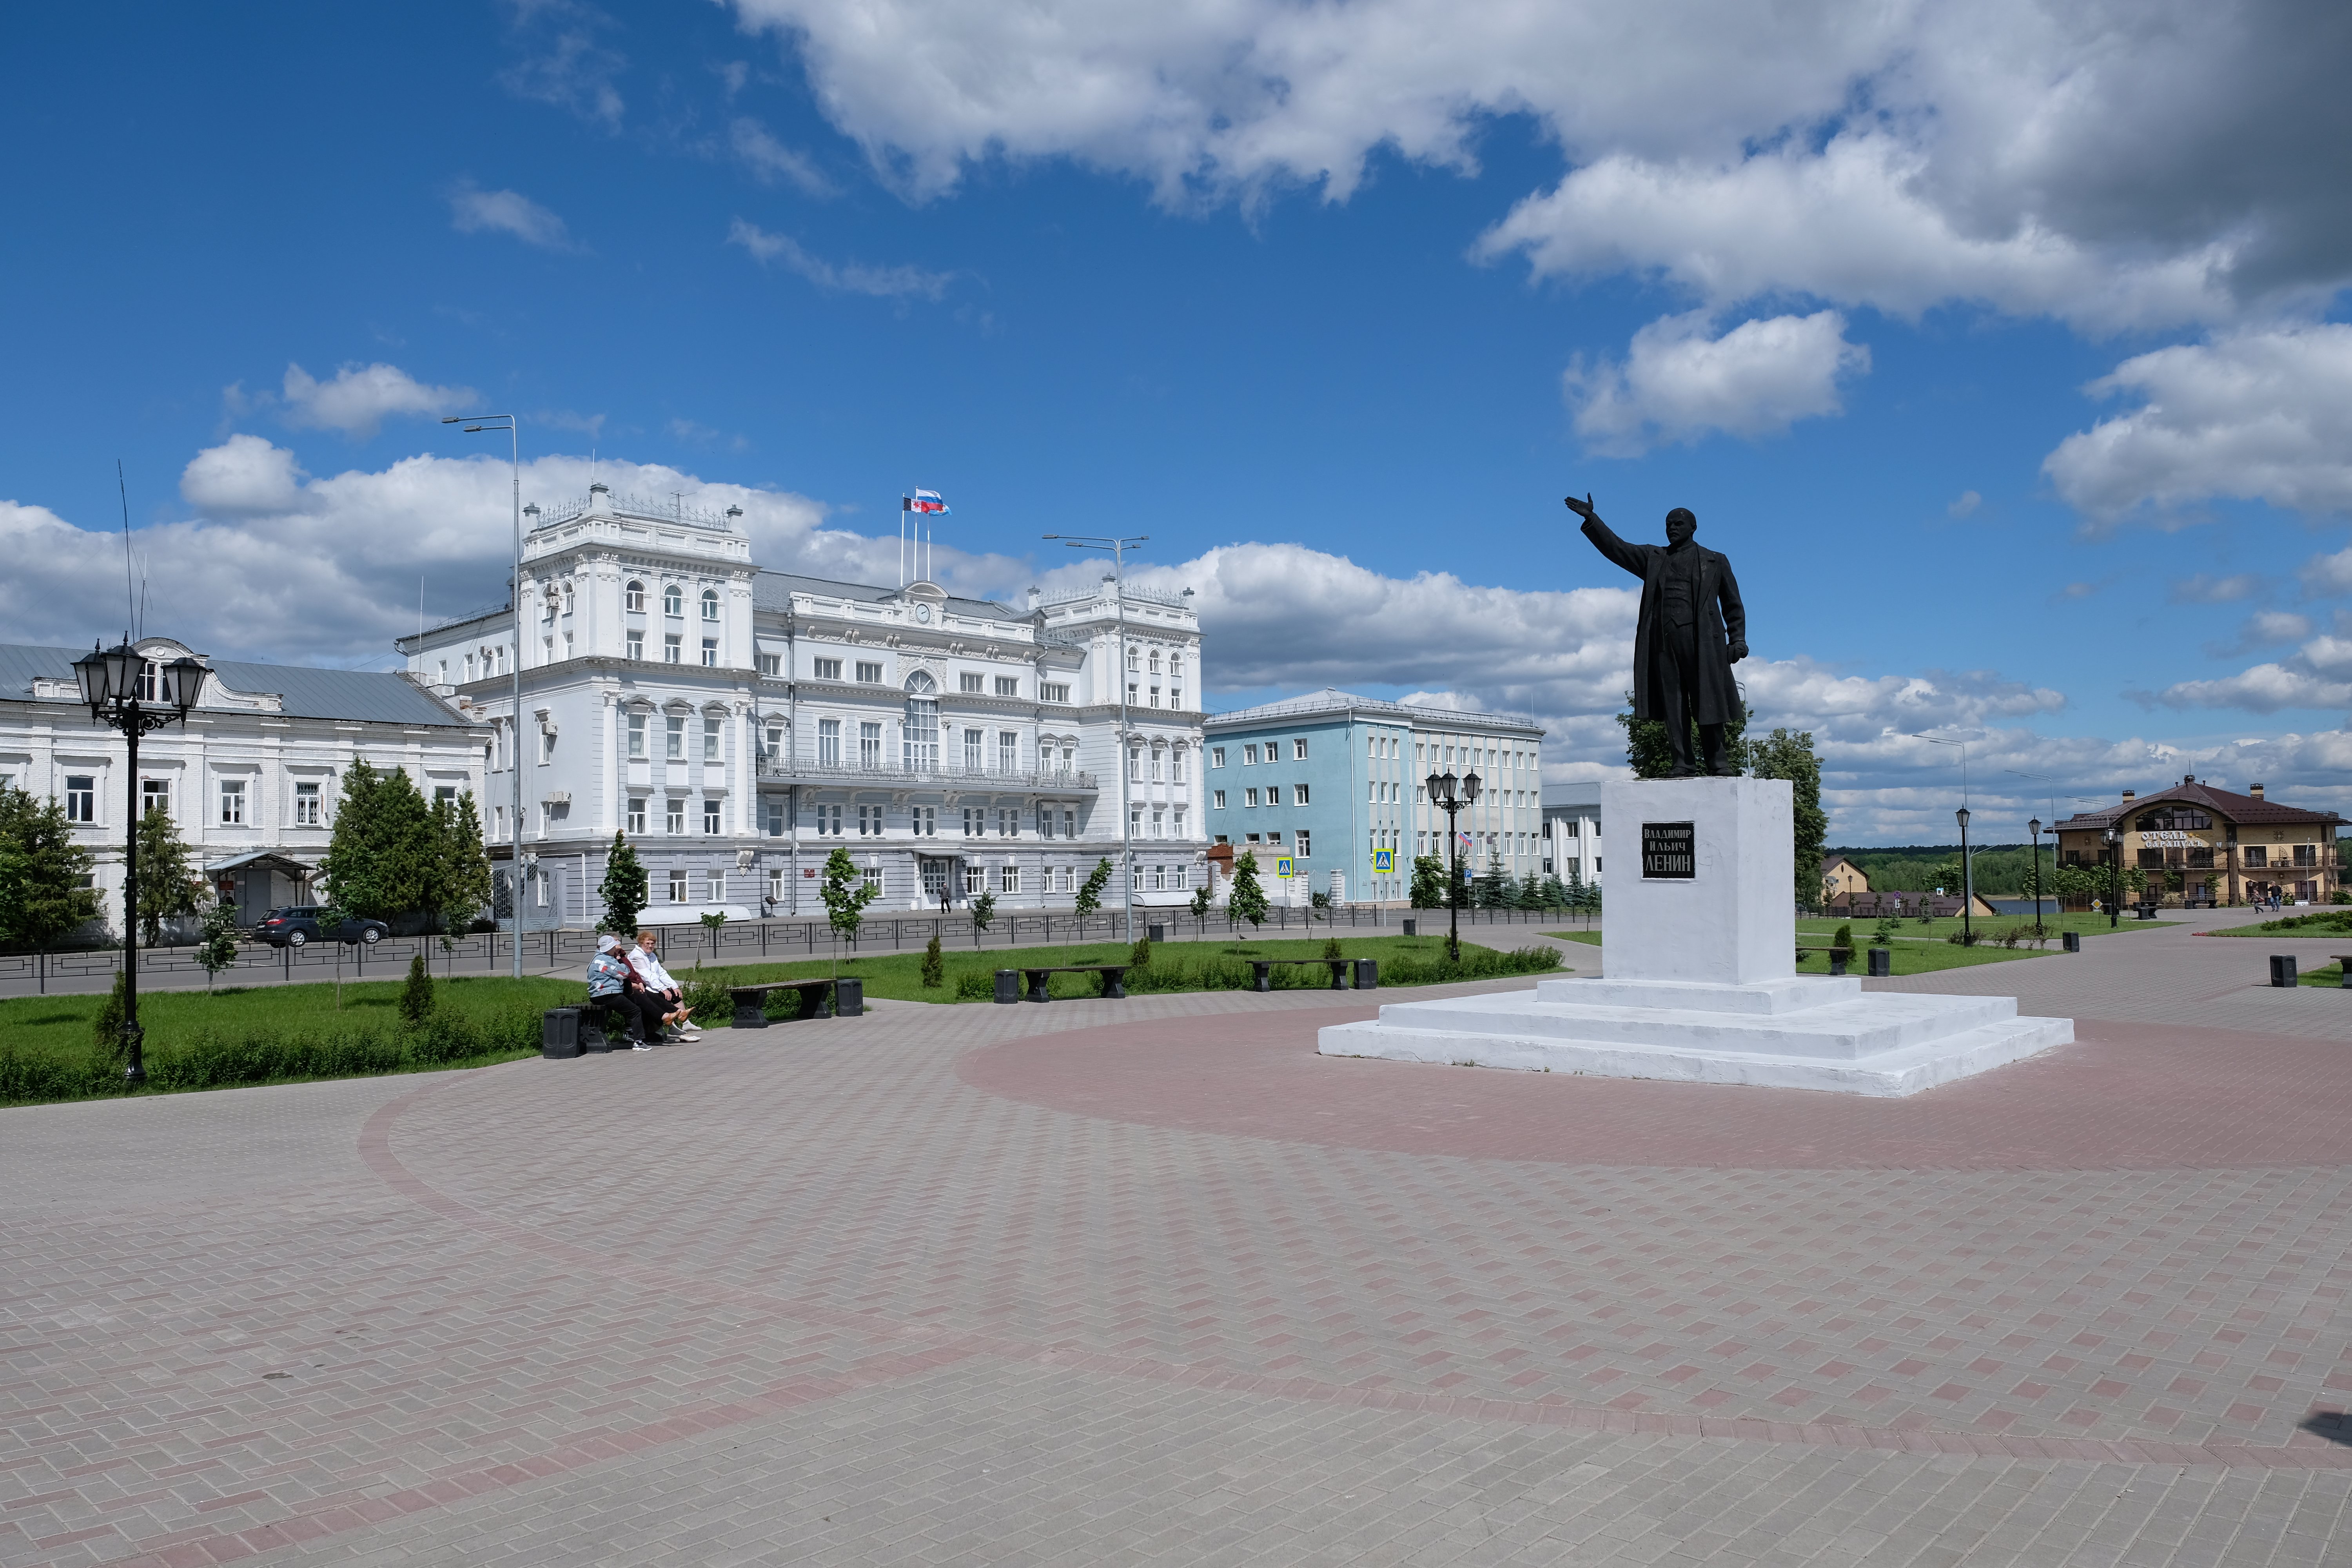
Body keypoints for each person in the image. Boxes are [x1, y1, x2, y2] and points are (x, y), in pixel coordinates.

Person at [1566, 493, 1748, 778]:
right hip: (1664, 643)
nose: (1672, 528)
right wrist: (1592, 518)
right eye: (1668, 525)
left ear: (1693, 527)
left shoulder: (1715, 560)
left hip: (1703, 642)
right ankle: (1683, 762)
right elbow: (1618, 549)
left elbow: (1733, 603)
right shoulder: (1654, 558)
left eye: (1678, 524)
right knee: (1673, 704)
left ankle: (1718, 761)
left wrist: (1737, 638)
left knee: (1708, 702)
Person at [588, 933, 659, 1051]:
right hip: (608, 994)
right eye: (613, 948)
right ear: (608, 948)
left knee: (634, 1001)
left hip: (599, 994)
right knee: (635, 1011)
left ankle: (630, 1032)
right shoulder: (605, 960)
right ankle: (639, 1042)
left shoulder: (597, 958)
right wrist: (619, 960)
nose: (615, 950)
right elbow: (624, 973)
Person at [629, 929, 699, 1041]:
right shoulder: (637, 956)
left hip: (653, 986)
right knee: (664, 998)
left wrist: (674, 986)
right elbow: (647, 976)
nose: (650, 946)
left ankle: (685, 1023)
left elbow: (661, 973)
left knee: (676, 994)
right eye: (647, 944)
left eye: (653, 944)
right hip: (644, 988)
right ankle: (678, 1028)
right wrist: (663, 989)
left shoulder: (651, 955)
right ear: (641, 944)